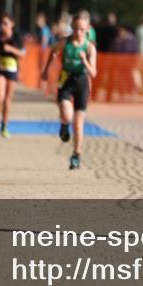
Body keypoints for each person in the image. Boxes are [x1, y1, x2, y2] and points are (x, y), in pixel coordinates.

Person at [41, 12, 98, 170]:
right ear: (71, 28)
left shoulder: (90, 47)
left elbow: (93, 73)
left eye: (81, 29)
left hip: (82, 82)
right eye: (75, 29)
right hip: (66, 81)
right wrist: (46, 70)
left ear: (87, 30)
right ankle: (64, 123)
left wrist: (85, 60)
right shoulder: (65, 43)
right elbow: (53, 52)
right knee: (67, 114)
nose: (78, 33)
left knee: (78, 124)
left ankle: (76, 156)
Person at [0, 13, 25, 138]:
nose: (3, 26)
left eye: (6, 23)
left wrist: (10, 49)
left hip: (12, 70)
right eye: (2, 23)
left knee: (7, 99)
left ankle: (5, 125)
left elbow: (22, 54)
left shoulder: (17, 37)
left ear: (12, 24)